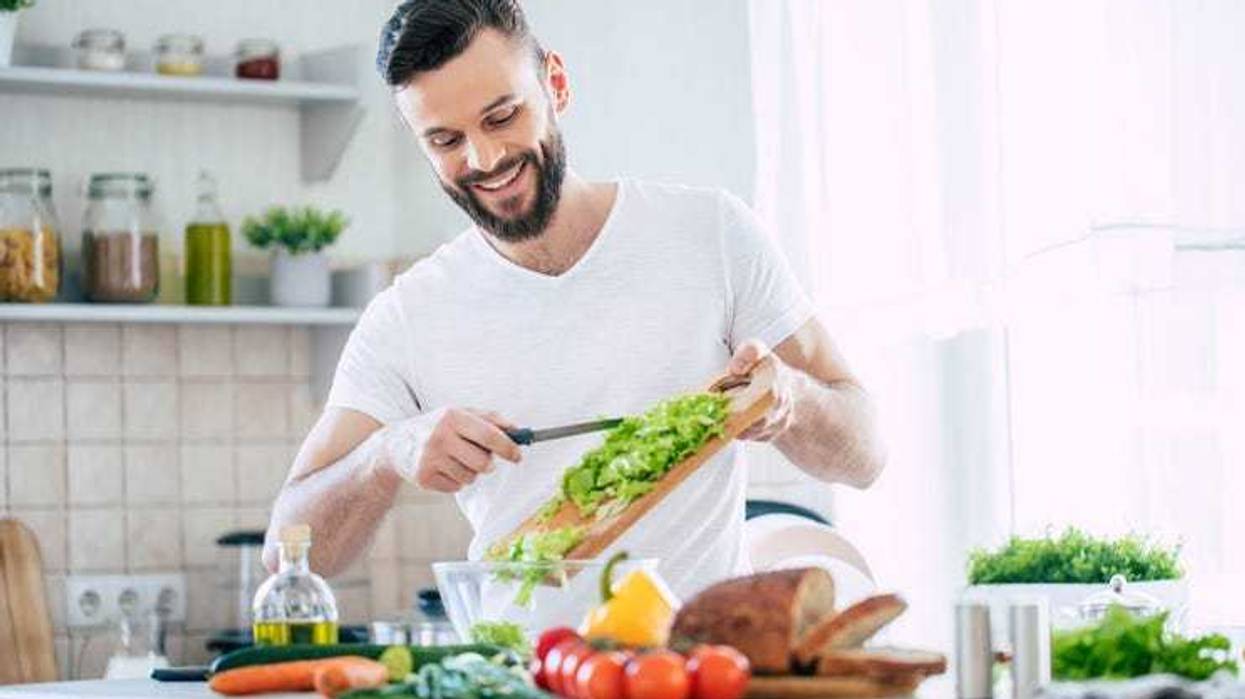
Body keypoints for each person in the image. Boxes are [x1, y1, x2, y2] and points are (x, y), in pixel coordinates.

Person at [263, 0, 885, 597]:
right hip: (520, 671)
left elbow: (865, 456)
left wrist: (790, 401)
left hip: (696, 670)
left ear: (555, 84)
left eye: (502, 116)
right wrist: (383, 455)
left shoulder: (712, 235)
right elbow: (287, 552)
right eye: (445, 141)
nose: (484, 159)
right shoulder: (407, 315)